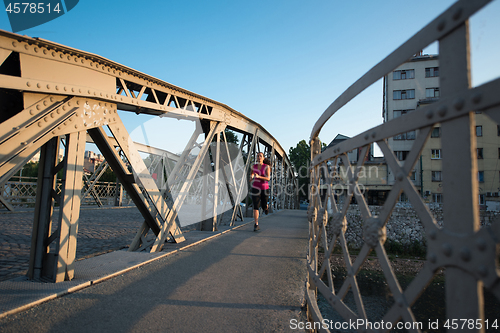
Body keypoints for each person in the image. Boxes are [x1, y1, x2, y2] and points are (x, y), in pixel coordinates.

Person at [250, 152, 270, 231]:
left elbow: (268, 178)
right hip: (255, 188)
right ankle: (256, 224)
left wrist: (259, 176)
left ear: (263, 158)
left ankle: (266, 207)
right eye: (257, 156)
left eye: (260, 156)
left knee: (263, 205)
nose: (259, 157)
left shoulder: (266, 167)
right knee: (256, 207)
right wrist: (251, 177)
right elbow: (251, 175)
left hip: (264, 188)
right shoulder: (253, 166)